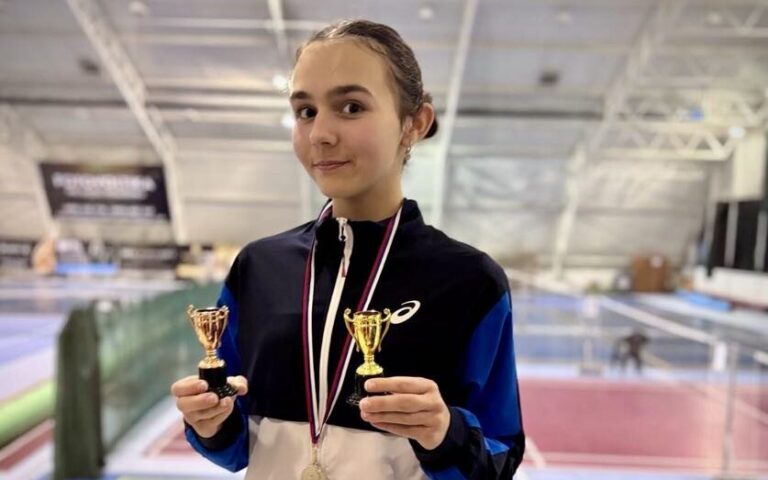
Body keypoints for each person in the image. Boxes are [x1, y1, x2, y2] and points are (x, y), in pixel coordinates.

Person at [171, 19, 525, 479]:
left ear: (414, 123)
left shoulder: (470, 281)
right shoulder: (258, 267)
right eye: (305, 111)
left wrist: (445, 434)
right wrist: (211, 422)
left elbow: (500, 455)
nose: (320, 133)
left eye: (351, 107)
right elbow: (238, 447)